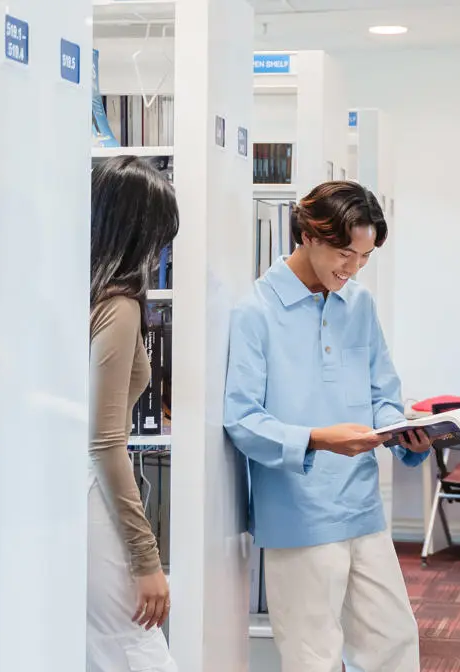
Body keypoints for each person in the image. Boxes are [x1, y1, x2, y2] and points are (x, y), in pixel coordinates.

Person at [223, 180, 435, 672]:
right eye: (345, 253)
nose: (353, 268)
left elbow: (383, 395)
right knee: (312, 658)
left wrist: (402, 432)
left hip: (362, 507)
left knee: (395, 643)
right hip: (298, 515)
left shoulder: (358, 305)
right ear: (308, 235)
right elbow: (243, 421)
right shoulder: (255, 313)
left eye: (363, 257)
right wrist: (319, 439)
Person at [86, 155, 179, 672]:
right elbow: (103, 443)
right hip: (92, 495)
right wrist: (147, 560)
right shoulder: (118, 306)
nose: (162, 248)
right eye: (159, 233)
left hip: (65, 493)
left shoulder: (77, 291)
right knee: (135, 649)